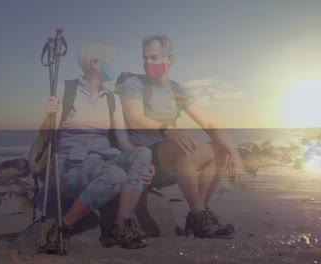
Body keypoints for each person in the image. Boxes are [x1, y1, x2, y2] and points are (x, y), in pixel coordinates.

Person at [119, 35, 244, 239]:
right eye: (145, 58)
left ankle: (199, 214)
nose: (148, 63)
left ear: (169, 58)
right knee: (183, 146)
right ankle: (199, 215)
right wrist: (168, 130)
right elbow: (135, 119)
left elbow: (209, 123)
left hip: (168, 160)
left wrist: (234, 151)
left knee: (219, 149)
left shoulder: (177, 89)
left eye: (154, 57)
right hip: (142, 159)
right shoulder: (134, 84)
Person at [38, 40, 154, 253]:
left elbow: (124, 142)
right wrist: (49, 115)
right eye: (110, 62)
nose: (114, 67)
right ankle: (62, 228)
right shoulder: (65, 88)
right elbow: (45, 134)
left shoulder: (112, 99)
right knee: (116, 175)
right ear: (95, 63)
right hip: (70, 164)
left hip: (103, 160)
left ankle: (121, 225)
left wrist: (144, 163)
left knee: (144, 153)